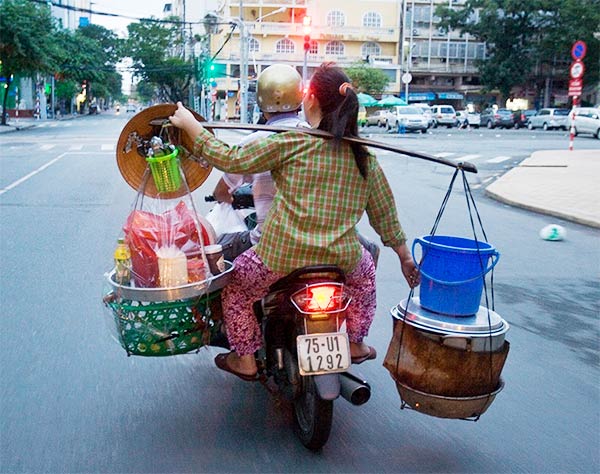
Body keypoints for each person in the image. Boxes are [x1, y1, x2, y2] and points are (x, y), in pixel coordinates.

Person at [169, 62, 420, 380]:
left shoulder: (290, 143)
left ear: (311, 100)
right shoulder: (363, 157)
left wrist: (192, 127)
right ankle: (355, 342)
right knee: (366, 279)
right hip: (342, 257)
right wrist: (405, 257)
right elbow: (385, 216)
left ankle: (245, 359)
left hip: (279, 256)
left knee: (236, 290)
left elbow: (231, 159)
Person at [211, 64, 309, 261]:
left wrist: (228, 198)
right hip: (315, 243)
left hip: (268, 246)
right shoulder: (317, 139)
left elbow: (221, 192)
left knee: (213, 252)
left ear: (261, 105)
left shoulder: (253, 142)